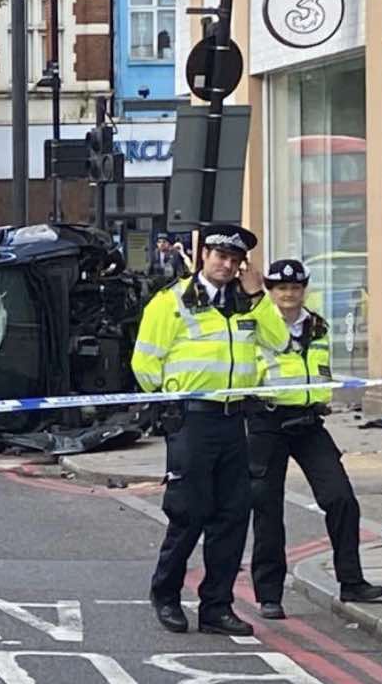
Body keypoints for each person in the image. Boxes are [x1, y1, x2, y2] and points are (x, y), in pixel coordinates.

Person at [131, 223, 290, 637]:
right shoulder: (173, 301)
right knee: (188, 513)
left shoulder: (248, 303)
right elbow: (145, 362)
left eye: (235, 259)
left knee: (234, 514)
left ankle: (216, 607)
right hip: (192, 420)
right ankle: (165, 596)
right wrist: (174, 401)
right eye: (220, 256)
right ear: (204, 256)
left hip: (234, 419)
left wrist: (258, 296)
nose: (226, 264)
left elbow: (279, 343)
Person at [249, 259, 382, 619]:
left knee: (341, 498)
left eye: (294, 288)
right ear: (270, 290)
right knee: (267, 509)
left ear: (303, 290)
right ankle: (269, 595)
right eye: (281, 288)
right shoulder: (255, 325)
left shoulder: (318, 325)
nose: (288, 294)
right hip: (268, 420)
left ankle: (352, 582)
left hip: (309, 423)